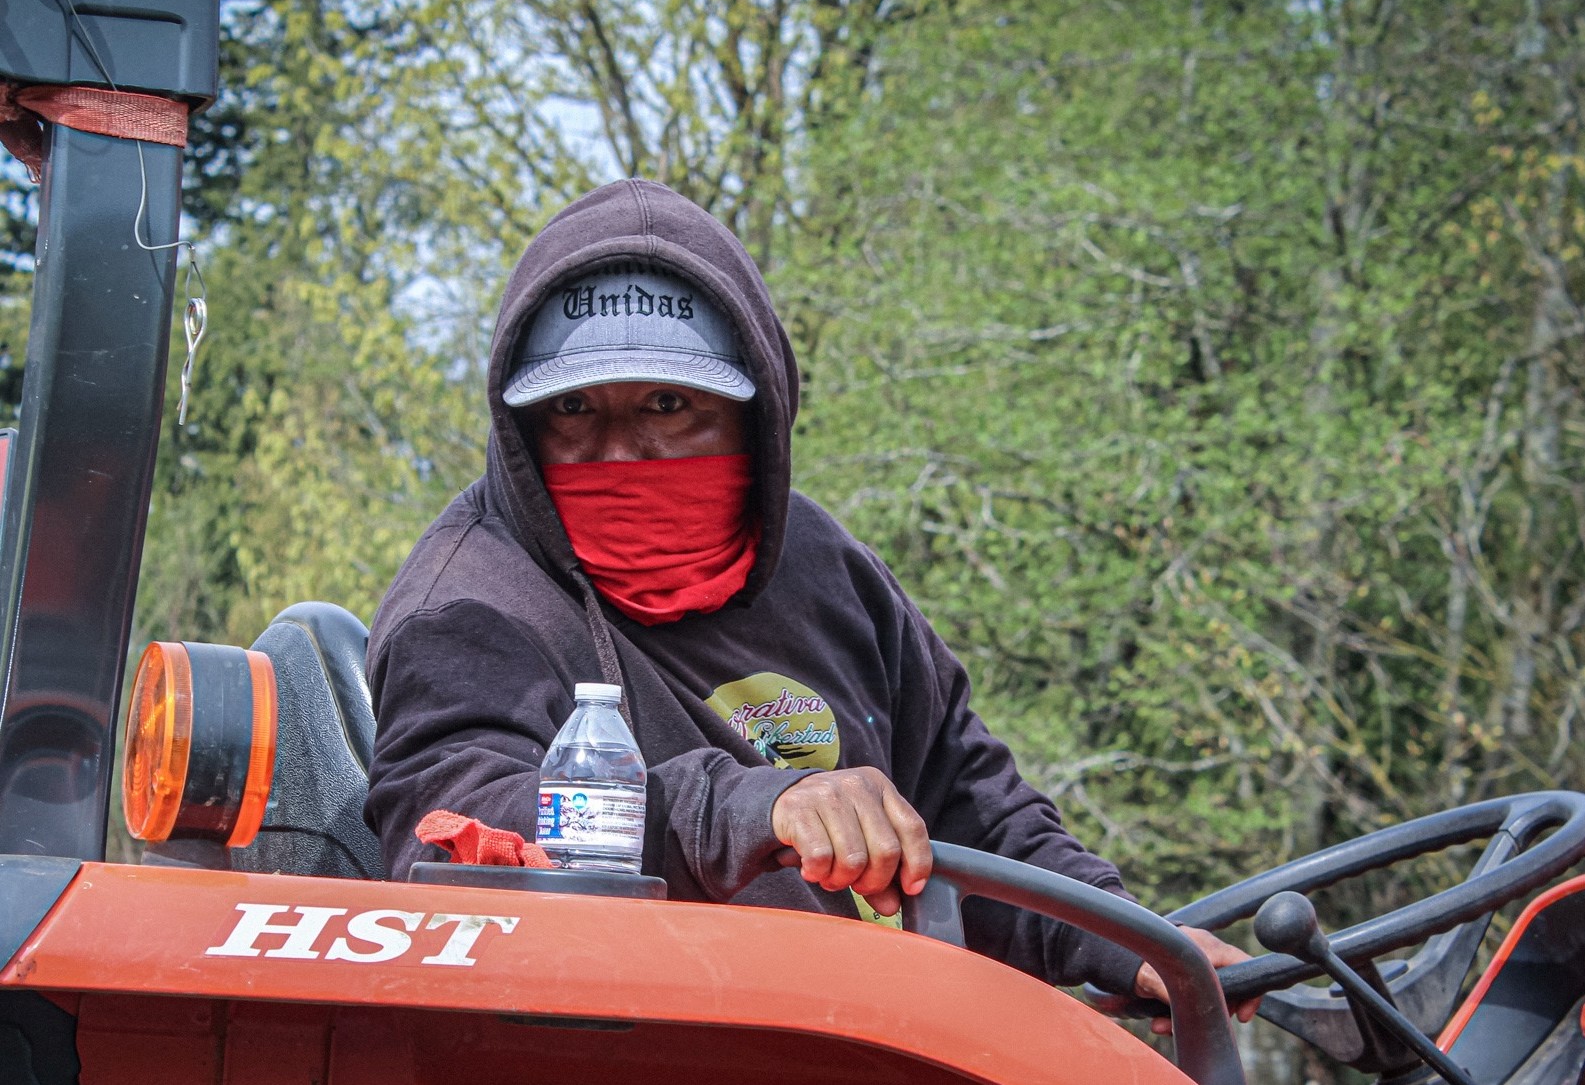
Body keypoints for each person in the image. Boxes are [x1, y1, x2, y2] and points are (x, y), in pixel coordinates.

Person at [364, 178, 1253, 1022]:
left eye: (667, 405)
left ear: (756, 416)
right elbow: (452, 829)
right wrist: (754, 806)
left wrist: (1128, 941)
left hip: (874, 1029)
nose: (621, 453)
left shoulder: (826, 567)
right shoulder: (470, 605)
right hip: (656, 1039)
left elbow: (969, 807)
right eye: (572, 409)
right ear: (520, 428)